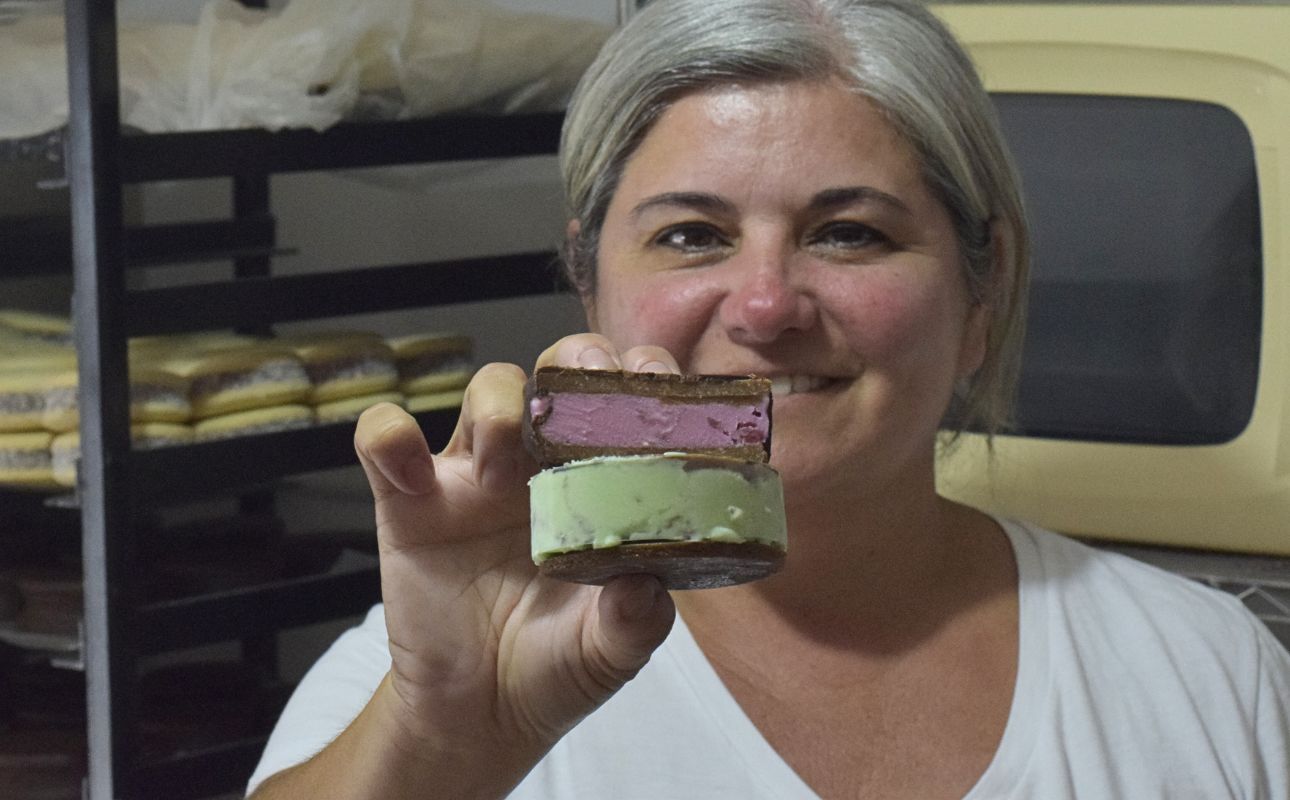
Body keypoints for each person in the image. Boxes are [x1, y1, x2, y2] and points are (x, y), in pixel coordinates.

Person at [246, 0, 1290, 797]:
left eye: (850, 232)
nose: (764, 305)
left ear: (985, 290)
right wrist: (441, 746)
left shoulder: (1208, 675)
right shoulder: (431, 674)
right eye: (691, 235)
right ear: (589, 284)